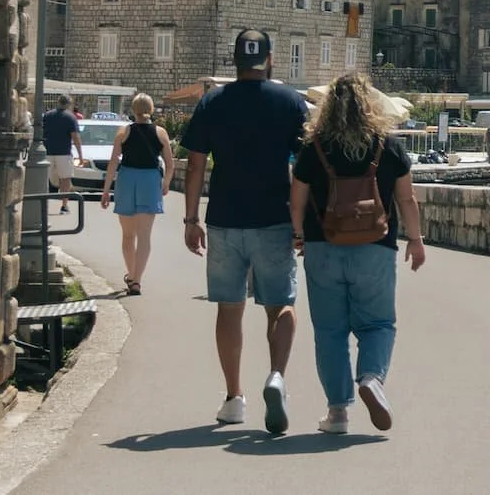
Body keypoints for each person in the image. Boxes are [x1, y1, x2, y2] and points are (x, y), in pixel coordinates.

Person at [182, 29, 308, 434]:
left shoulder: (212, 102)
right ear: (269, 60)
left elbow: (196, 164)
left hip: (224, 218)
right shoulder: (290, 102)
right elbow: (305, 170)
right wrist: (302, 223)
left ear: (233, 62)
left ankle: (234, 398)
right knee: (281, 304)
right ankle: (276, 376)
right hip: (274, 218)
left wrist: (190, 219)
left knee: (229, 308)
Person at [290, 71, 426, 435]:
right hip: (375, 247)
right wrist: (415, 239)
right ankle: (371, 379)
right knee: (378, 324)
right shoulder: (388, 146)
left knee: (330, 331)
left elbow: (297, 197)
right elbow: (406, 199)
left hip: (323, 246)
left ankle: (337, 414)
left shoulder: (314, 147)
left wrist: (299, 234)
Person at [101, 92, 174, 295]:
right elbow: (170, 164)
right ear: (151, 109)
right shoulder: (161, 133)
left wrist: (106, 190)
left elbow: (113, 162)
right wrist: (166, 183)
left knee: (127, 235)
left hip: (127, 179)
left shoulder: (123, 132)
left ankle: (131, 274)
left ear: (133, 109)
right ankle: (137, 280)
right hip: (150, 181)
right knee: (144, 236)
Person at [41, 95, 84, 214]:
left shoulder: (47, 115)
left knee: (45, 179)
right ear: (69, 104)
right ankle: (64, 206)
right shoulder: (70, 117)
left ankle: (43, 205)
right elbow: (75, 137)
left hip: (47, 151)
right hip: (64, 153)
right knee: (65, 180)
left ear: (58, 103)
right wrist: (80, 156)